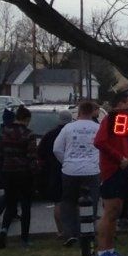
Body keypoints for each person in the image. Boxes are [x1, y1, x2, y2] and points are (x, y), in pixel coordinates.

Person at [53, 99, 103, 248]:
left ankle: (70, 233)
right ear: (92, 112)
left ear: (79, 112)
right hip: (91, 170)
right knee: (91, 203)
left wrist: (66, 161)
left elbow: (57, 148)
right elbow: (103, 148)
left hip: (70, 170)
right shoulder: (97, 128)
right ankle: (86, 235)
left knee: (68, 203)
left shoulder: (68, 128)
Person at [93, 89, 128, 256]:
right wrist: (119, 158)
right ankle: (102, 251)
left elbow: (124, 144)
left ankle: (110, 249)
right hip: (111, 171)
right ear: (120, 104)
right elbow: (99, 142)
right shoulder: (110, 119)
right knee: (109, 212)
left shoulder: (122, 123)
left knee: (116, 211)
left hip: (121, 170)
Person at [0, 105, 37, 248]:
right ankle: (24, 239)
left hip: (7, 171)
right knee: (25, 206)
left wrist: (1, 171)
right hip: (23, 173)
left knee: (10, 204)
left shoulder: (4, 132)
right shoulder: (28, 134)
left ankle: (4, 230)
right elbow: (31, 157)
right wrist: (34, 174)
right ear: (25, 119)